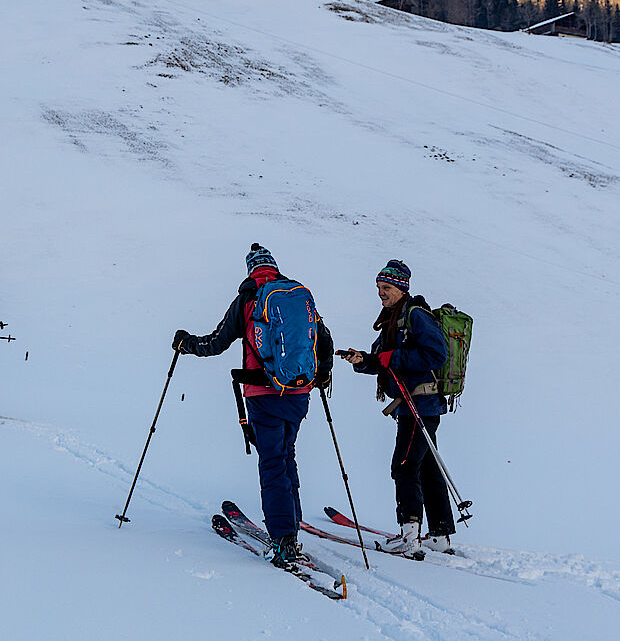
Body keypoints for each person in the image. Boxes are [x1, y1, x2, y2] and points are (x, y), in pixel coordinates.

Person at [172, 244, 332, 569]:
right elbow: (324, 339)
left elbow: (216, 342)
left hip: (262, 394)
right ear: (274, 267)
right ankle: (292, 525)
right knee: (287, 455)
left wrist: (185, 343)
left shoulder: (248, 298)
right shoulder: (297, 296)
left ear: (251, 269)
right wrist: (321, 375)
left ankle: (284, 539)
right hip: (299, 393)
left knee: (272, 462)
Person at [341, 259, 455, 558]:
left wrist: (395, 358)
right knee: (426, 467)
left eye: (387, 288)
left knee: (403, 467)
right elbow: (383, 359)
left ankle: (409, 537)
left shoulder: (415, 317)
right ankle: (439, 535)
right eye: (379, 287)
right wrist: (361, 360)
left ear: (402, 288)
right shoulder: (394, 319)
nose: (381, 293)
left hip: (420, 404)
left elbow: (436, 354)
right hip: (413, 405)